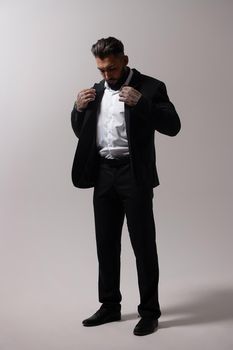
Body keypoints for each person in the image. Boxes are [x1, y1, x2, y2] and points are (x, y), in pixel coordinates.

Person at [71, 37, 181, 336]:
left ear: (125, 60)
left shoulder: (151, 87)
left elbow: (173, 126)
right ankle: (109, 306)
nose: (107, 75)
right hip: (104, 174)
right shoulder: (95, 90)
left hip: (134, 174)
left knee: (143, 245)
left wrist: (142, 103)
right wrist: (78, 110)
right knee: (105, 244)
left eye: (112, 68)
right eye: (102, 70)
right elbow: (83, 132)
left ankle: (149, 312)